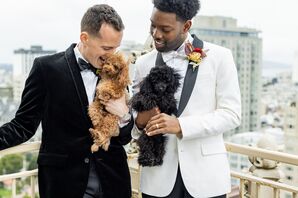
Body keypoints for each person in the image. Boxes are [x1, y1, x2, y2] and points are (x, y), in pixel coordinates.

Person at [0, 4, 133, 198]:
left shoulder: (116, 71)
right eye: (107, 48)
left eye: (116, 48)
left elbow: (124, 138)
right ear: (84, 38)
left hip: (113, 181)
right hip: (64, 183)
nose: (113, 54)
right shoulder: (45, 69)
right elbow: (23, 125)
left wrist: (124, 115)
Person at [132, 0, 241, 197]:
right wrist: (140, 120)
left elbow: (231, 114)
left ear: (187, 26)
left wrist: (181, 125)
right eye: (152, 25)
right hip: (157, 180)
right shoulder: (142, 64)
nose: (156, 34)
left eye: (165, 29)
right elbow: (134, 125)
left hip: (207, 180)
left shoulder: (220, 57)